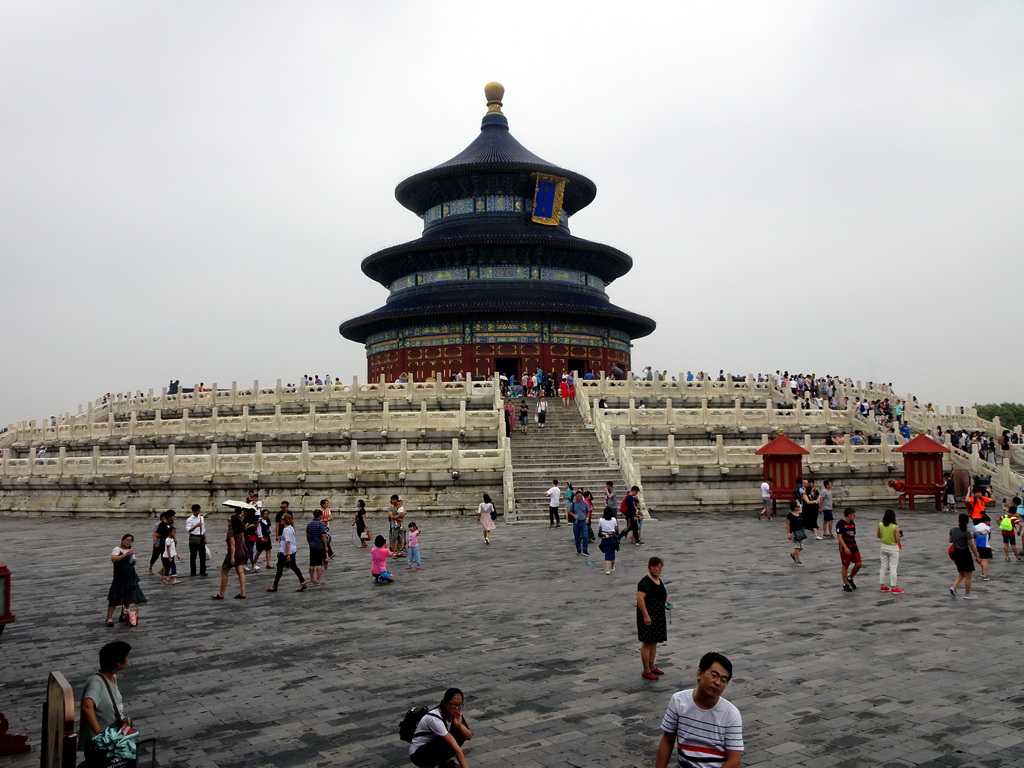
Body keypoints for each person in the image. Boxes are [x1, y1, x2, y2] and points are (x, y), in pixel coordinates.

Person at [654, 652, 743, 768]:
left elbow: (734, 761)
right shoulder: (679, 701)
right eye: (714, 675)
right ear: (700, 674)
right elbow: (667, 740)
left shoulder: (731, 714)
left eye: (723, 680)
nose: (717, 683)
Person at [80, 641, 135, 767]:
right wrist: (100, 733)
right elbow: (86, 707)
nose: (127, 659)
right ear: (118, 662)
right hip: (102, 747)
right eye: (126, 656)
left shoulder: (113, 677)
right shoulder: (96, 683)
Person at [408, 687, 473, 768]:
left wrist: (459, 725)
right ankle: (442, 764)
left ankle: (445, 763)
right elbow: (455, 747)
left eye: (459, 704)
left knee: (460, 733)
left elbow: (469, 736)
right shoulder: (434, 718)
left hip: (433, 747)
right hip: (419, 754)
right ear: (445, 704)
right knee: (448, 741)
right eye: (453, 704)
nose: (456, 708)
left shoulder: (455, 714)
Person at [104, 534, 147, 627]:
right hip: (119, 577)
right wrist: (126, 555)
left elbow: (132, 561)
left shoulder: (130, 551)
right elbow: (114, 559)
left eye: (130, 540)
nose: (128, 542)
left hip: (130, 576)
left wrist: (134, 561)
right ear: (122, 540)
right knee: (114, 597)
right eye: (126, 540)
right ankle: (109, 618)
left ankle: (123, 614)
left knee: (128, 597)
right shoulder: (117, 549)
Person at [636, 556, 668, 680]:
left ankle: (652, 665)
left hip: (658, 615)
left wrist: (665, 604)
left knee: (654, 641)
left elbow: (658, 596)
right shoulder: (644, 582)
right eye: (654, 567)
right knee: (647, 642)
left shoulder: (658, 580)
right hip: (648, 616)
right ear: (649, 567)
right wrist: (646, 615)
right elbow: (640, 599)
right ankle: (646, 669)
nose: (657, 569)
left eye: (659, 567)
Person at [266, 512, 307, 592]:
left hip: (285, 552)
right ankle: (302, 582)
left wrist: (287, 555)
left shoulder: (286, 530)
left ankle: (275, 585)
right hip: (292, 550)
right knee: (292, 566)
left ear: (286, 520)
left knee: (281, 568)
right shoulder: (291, 528)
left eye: (282, 519)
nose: (281, 520)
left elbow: (288, 542)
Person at [212, 511, 247, 600]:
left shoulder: (231, 532)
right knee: (241, 572)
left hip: (234, 554)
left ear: (231, 523)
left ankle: (221, 593)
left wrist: (232, 557)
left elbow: (232, 544)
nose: (227, 522)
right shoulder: (240, 531)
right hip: (241, 553)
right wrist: (246, 551)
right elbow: (243, 542)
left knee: (224, 572)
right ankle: (243, 592)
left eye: (229, 521)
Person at [949, 512, 982, 599]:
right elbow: (971, 546)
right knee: (968, 575)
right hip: (965, 553)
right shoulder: (967, 533)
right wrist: (977, 556)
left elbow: (950, 540)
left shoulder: (952, 530)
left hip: (956, 553)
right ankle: (967, 594)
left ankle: (954, 587)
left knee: (961, 573)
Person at [877, 509, 903, 593]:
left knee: (883, 566)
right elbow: (897, 539)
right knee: (893, 567)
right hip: (893, 547)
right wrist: (899, 534)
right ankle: (894, 587)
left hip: (883, 546)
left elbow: (878, 535)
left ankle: (882, 585)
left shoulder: (880, 524)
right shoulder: (895, 526)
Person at [837, 507, 861, 593]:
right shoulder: (840, 523)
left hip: (853, 545)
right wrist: (845, 547)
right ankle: (845, 584)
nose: (855, 516)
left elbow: (853, 534)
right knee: (845, 565)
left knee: (859, 563)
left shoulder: (852, 523)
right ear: (849, 515)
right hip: (845, 547)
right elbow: (839, 537)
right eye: (854, 515)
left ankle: (850, 577)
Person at [306, 508, 329, 586]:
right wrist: (325, 545)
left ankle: (311, 578)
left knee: (312, 563)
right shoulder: (320, 524)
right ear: (320, 515)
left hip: (312, 546)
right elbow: (323, 535)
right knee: (319, 563)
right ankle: (319, 579)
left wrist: (310, 542)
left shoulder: (309, 524)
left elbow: (307, 535)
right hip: (319, 546)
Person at [185, 503, 207, 577]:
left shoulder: (201, 518)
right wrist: (195, 526)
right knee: (193, 555)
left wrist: (205, 538)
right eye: (197, 510)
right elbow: (188, 530)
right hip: (194, 537)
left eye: (199, 510)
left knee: (202, 555)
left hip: (201, 537)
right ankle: (193, 571)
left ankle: (203, 570)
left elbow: (203, 529)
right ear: (194, 511)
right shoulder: (189, 519)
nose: (198, 512)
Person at [567, 490, 590, 556]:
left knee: (585, 536)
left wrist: (587, 518)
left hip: (583, 521)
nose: (579, 497)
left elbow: (588, 511)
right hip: (576, 522)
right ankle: (579, 550)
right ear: (575, 497)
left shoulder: (585, 503)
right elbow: (569, 511)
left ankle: (585, 550)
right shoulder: (573, 504)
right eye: (578, 496)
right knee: (577, 537)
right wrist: (574, 515)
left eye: (580, 496)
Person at [598, 508, 619, 574]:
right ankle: (612, 567)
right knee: (612, 552)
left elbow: (600, 528)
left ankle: (607, 569)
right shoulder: (613, 519)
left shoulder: (601, 520)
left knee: (607, 553)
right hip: (612, 536)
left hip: (605, 536)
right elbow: (615, 528)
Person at [786, 500, 806, 566]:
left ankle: (792, 554)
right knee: (797, 547)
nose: (799, 507)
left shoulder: (800, 514)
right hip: (794, 532)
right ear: (795, 507)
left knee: (801, 547)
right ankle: (798, 560)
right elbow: (788, 524)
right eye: (798, 506)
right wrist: (789, 533)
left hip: (800, 531)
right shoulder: (790, 515)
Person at [973, 514, 992, 581]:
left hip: (978, 546)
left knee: (981, 560)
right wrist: (982, 533)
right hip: (985, 546)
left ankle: (983, 572)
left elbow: (974, 538)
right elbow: (986, 532)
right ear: (987, 521)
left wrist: (974, 546)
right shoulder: (987, 527)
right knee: (985, 561)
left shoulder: (975, 527)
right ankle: (985, 575)